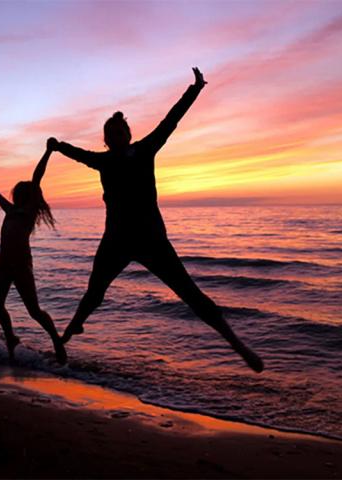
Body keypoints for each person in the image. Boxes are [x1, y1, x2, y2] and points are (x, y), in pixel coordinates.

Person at [51, 68, 263, 372]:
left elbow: (171, 120)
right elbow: (78, 153)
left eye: (119, 133)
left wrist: (196, 88)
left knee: (191, 295)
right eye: (110, 136)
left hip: (152, 241)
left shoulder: (145, 149)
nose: (115, 138)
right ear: (107, 140)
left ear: (128, 134)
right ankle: (69, 333)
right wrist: (58, 146)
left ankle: (238, 345)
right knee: (94, 294)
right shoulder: (104, 161)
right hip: (117, 242)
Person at [0, 140, 66, 364]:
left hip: (21, 266)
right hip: (3, 265)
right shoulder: (11, 210)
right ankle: (11, 337)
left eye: (20, 193)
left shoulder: (29, 212)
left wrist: (48, 151)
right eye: (16, 193)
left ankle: (57, 341)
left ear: (27, 196)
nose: (16, 196)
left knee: (34, 311)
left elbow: (37, 177)